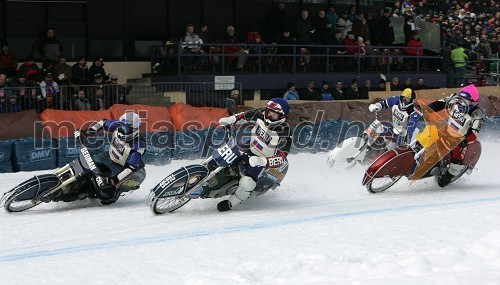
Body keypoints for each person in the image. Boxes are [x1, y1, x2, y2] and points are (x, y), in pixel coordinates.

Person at [217, 98, 291, 211]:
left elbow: (282, 157)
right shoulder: (262, 113)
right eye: (268, 112)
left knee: (248, 181)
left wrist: (264, 162)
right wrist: (231, 119)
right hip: (250, 146)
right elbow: (246, 114)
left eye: (274, 115)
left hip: (262, 159)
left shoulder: (285, 131)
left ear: (282, 117)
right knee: (227, 151)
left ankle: (231, 202)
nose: (269, 116)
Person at [79, 112, 146, 204]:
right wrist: (89, 132)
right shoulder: (117, 125)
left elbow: (130, 168)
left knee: (106, 194)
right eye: (121, 126)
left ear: (134, 130)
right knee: (86, 164)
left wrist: (113, 180)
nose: (121, 130)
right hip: (108, 156)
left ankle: (115, 193)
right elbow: (102, 123)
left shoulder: (138, 145)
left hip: (120, 168)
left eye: (125, 129)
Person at [425, 84, 484, 187]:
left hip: (461, 139)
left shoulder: (477, 114)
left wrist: (464, 141)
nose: (461, 103)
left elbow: (474, 134)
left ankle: (447, 178)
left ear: (473, 103)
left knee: (456, 162)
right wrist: (428, 108)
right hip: (447, 129)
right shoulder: (454, 99)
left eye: (466, 101)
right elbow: (440, 103)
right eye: (460, 99)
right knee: (428, 133)